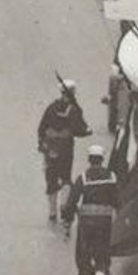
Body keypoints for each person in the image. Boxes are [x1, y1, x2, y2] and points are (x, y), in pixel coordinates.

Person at [61, 144, 119, 275]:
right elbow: (117, 200)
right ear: (102, 159)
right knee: (102, 250)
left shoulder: (83, 178)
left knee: (83, 252)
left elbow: (72, 201)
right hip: (104, 220)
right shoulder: (112, 177)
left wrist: (68, 222)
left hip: (86, 221)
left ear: (89, 160)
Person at [38, 80, 91, 225]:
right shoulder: (73, 110)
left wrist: (43, 145)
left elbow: (41, 128)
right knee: (65, 177)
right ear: (73, 92)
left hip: (50, 149)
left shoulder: (51, 108)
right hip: (66, 149)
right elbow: (79, 129)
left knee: (51, 177)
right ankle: (63, 206)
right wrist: (87, 131)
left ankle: (52, 212)